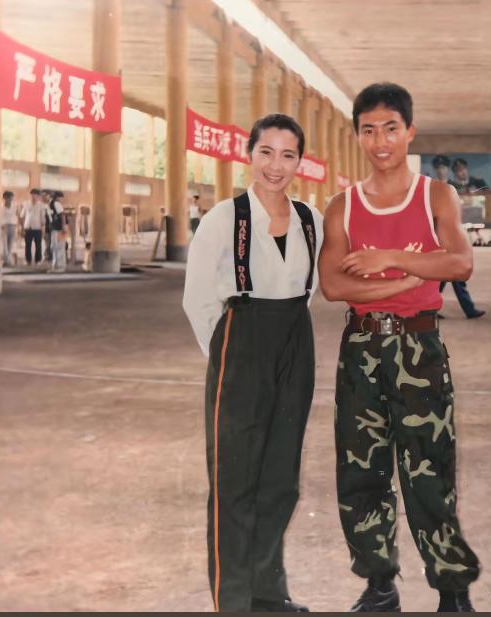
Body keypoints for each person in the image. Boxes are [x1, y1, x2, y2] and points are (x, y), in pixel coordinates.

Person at [318, 83, 480, 613]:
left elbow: (460, 263)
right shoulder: (342, 207)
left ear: (409, 131)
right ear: (357, 136)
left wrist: (389, 258)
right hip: (361, 348)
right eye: (368, 130)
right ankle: (380, 585)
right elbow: (334, 285)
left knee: (429, 469)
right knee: (360, 470)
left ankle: (452, 591)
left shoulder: (436, 196)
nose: (380, 141)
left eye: (391, 128)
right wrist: (409, 278)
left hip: (418, 347)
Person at [183, 114, 323, 613]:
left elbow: (306, 290)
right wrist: (229, 357)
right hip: (240, 343)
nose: (275, 165)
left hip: (295, 341)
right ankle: (234, 601)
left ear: (300, 162)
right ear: (249, 155)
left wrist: (284, 340)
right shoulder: (224, 219)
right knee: (234, 480)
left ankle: (267, 592)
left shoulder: (311, 219)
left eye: (288, 155)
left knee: (280, 479)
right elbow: (198, 299)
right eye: (266, 152)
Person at [20, 188, 45, 266]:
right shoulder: (26, 204)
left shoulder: (41, 205)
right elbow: (22, 216)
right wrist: (22, 228)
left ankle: (38, 260)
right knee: (28, 245)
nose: (33, 196)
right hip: (28, 227)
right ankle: (28, 260)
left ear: (38, 196)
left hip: (37, 227)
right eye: (32, 195)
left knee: (38, 245)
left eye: (35, 195)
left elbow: (42, 217)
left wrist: (43, 228)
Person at [45, 190, 67, 272]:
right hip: (56, 229)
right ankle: (57, 265)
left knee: (59, 246)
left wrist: (63, 226)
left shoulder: (55, 204)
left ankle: (60, 266)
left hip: (58, 229)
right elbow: (61, 215)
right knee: (55, 247)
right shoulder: (53, 204)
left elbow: (62, 215)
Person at [0, 191, 19, 266]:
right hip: (4, 227)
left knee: (10, 244)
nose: (10, 200)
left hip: (12, 226)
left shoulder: (15, 206)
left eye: (11, 198)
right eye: (9, 198)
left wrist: (17, 227)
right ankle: (7, 261)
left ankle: (7, 260)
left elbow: (17, 216)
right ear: (4, 198)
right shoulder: (1, 207)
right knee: (4, 245)